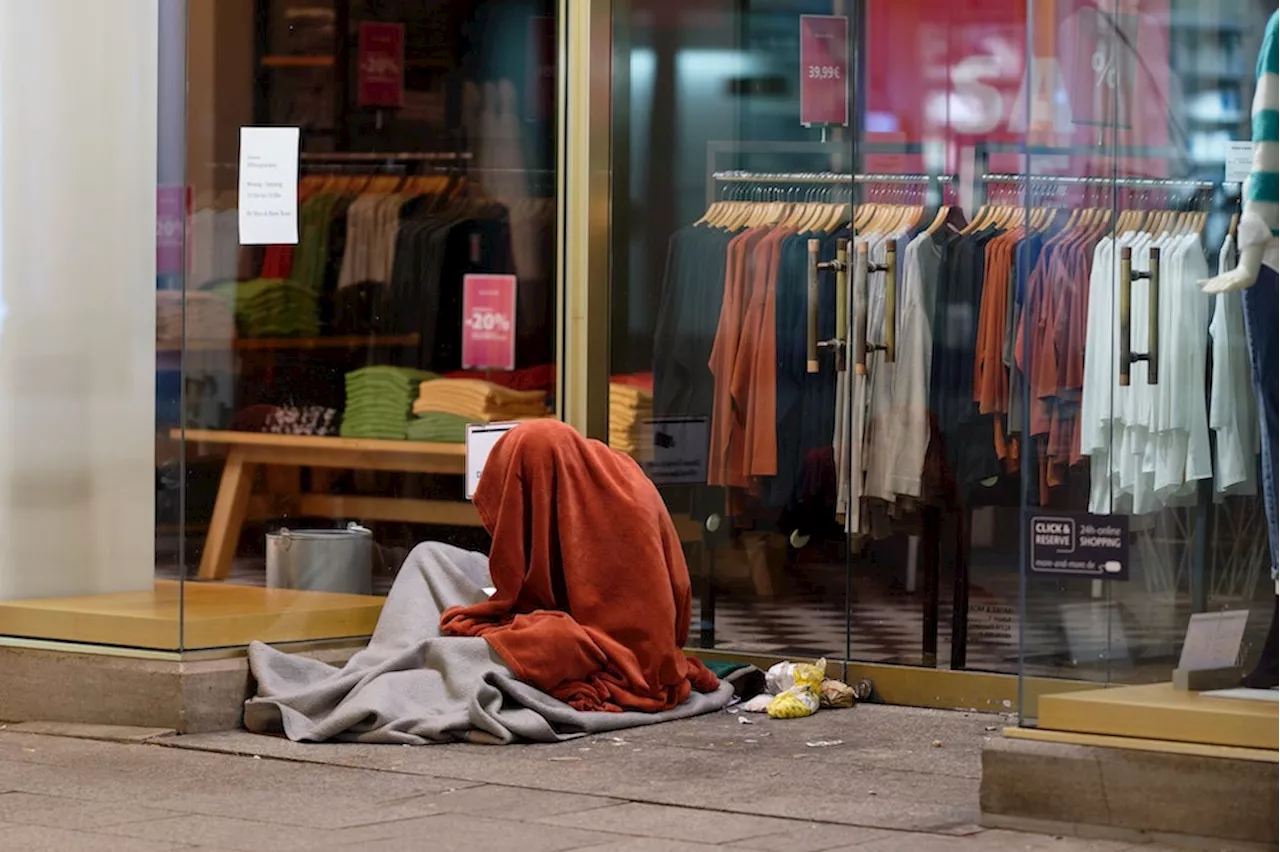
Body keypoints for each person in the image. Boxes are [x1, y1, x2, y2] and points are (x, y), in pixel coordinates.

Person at [441, 419, 722, 712]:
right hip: (657, 648)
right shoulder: (606, 470)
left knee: (531, 643)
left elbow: (526, 589)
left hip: (632, 653)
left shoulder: (611, 498)